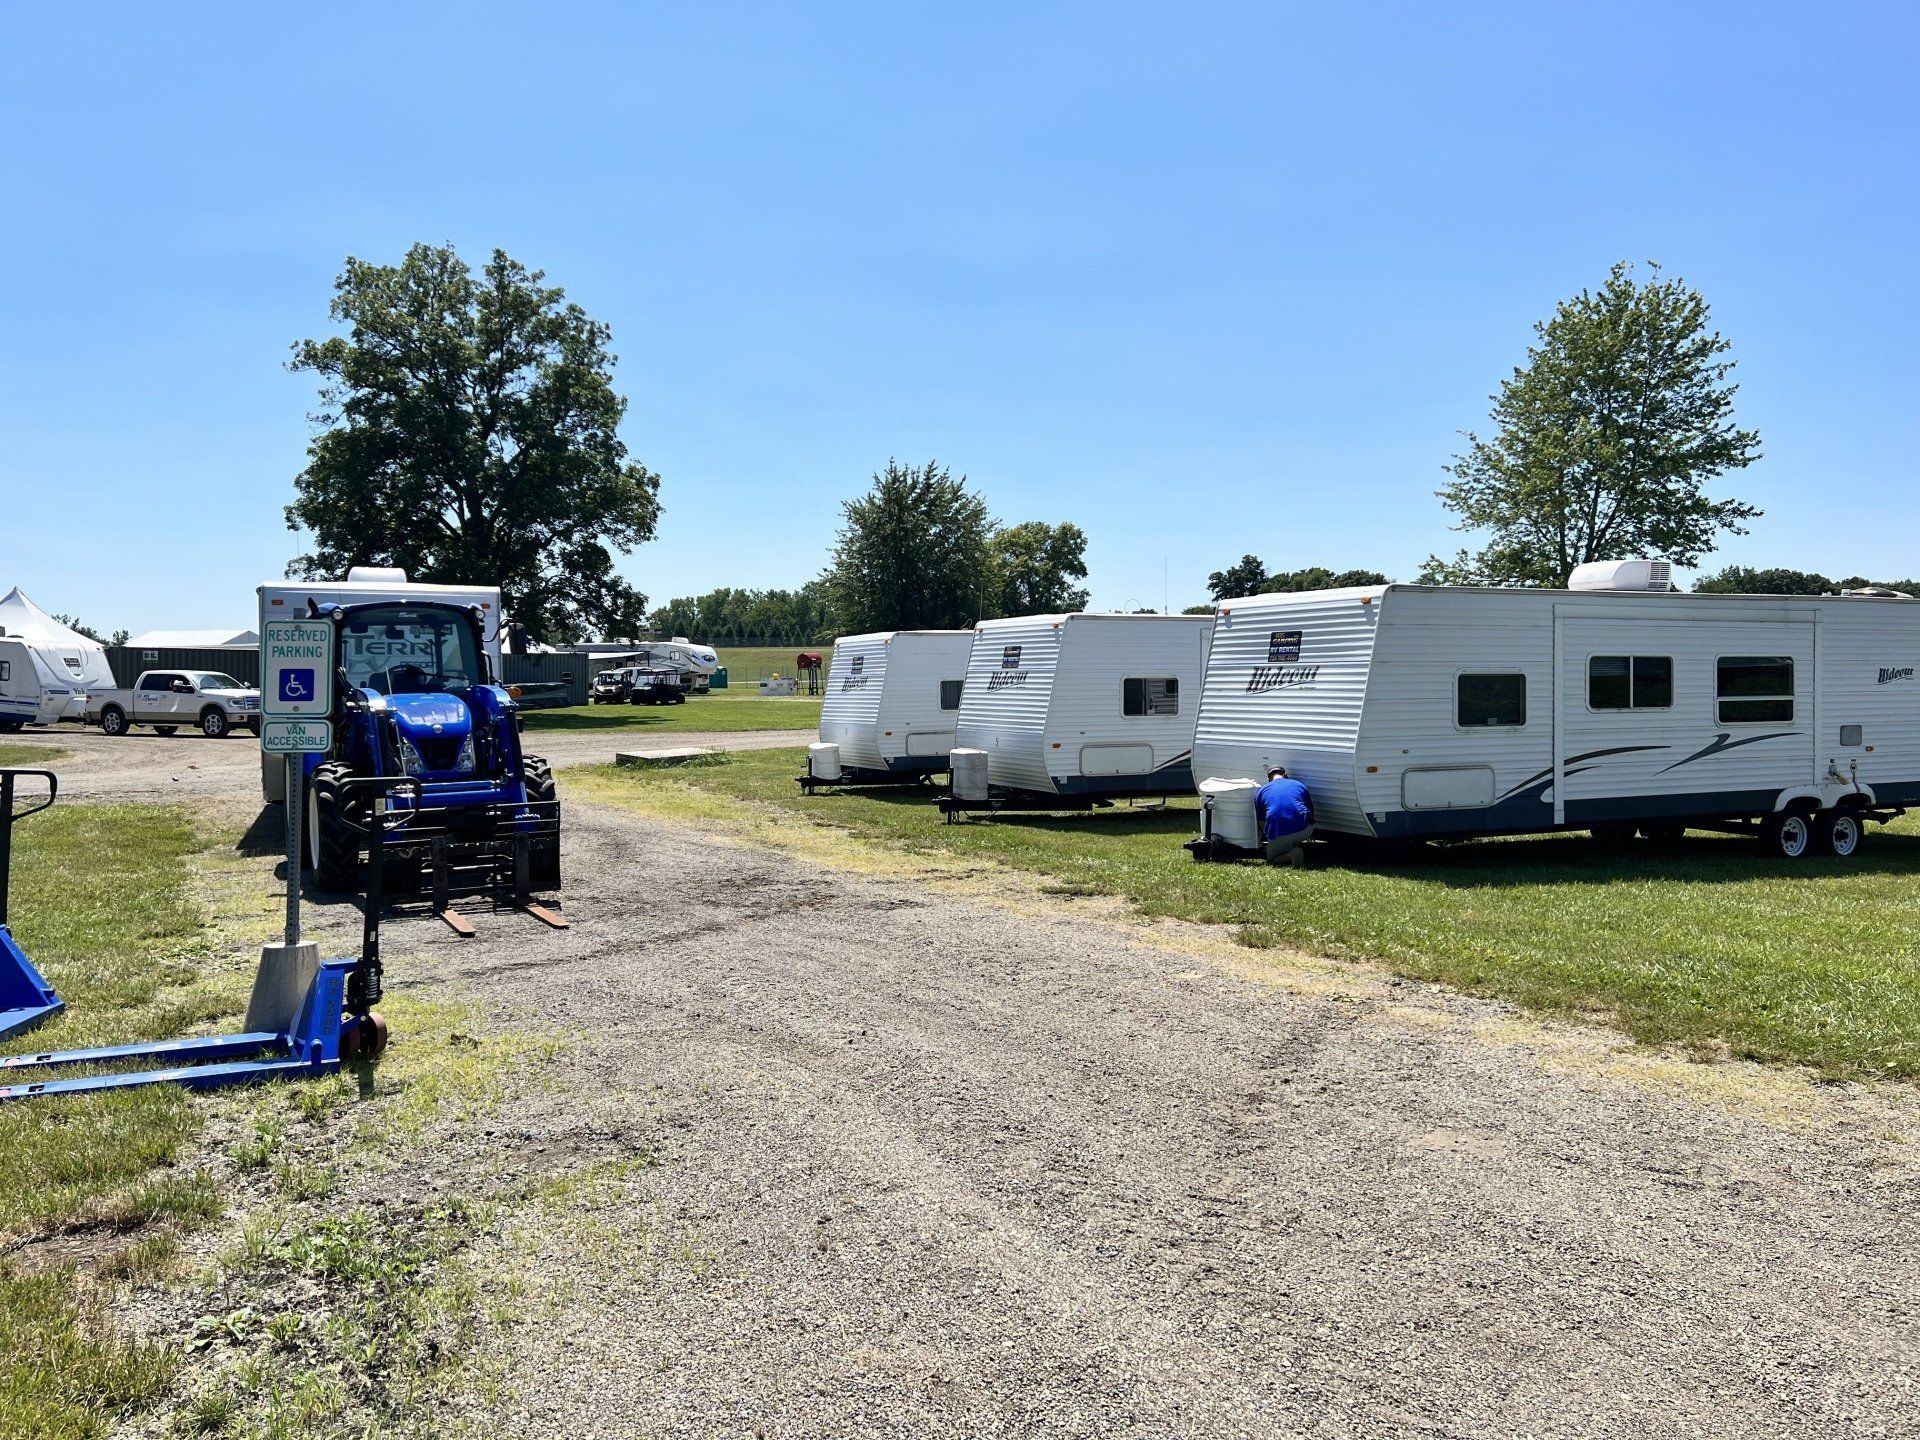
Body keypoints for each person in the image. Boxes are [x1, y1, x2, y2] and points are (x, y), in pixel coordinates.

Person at [1253, 765, 1313, 867]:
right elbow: (1310, 811)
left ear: (1269, 779)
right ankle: (1294, 845)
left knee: (1272, 860)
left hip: (1281, 832)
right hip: (1305, 830)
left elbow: (1261, 820)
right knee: (1293, 835)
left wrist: (1270, 837)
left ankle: (1291, 854)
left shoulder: (1262, 791)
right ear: (1285, 775)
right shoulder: (1299, 785)